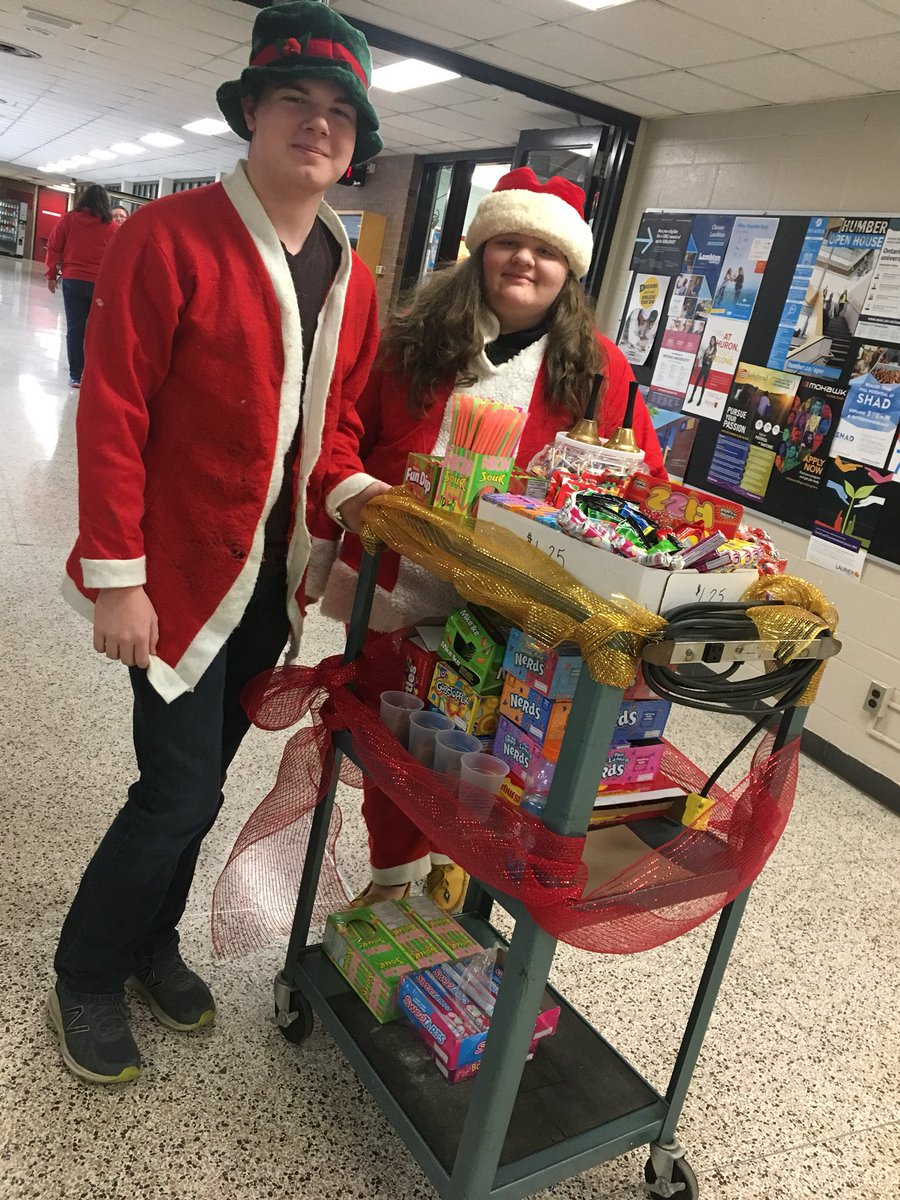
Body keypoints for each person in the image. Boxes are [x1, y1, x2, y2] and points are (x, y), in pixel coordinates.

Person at [49, 0, 389, 1086]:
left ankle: (151, 943)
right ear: (251, 111)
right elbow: (114, 412)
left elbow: (335, 423)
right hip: (174, 578)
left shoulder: (352, 273)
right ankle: (86, 971)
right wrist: (118, 579)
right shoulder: (167, 236)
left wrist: (351, 505)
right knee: (179, 792)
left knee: (204, 781)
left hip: (272, 585)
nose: (318, 124)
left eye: (340, 111)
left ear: (355, 141)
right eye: (296, 99)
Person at [314, 168, 666, 912]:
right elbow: (340, 430)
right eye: (509, 242)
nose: (525, 260)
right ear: (480, 250)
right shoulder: (411, 341)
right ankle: (392, 878)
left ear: (568, 270)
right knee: (398, 745)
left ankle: (459, 872)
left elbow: (645, 484)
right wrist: (354, 493)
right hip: (398, 588)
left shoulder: (602, 367)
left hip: (521, 609)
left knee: (495, 752)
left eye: (546, 251)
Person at [44, 184, 117, 388]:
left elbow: (54, 246)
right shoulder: (112, 228)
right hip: (99, 285)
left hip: (73, 280)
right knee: (95, 330)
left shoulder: (69, 219)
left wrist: (51, 275)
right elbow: (119, 258)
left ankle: (76, 375)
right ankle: (93, 373)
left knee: (75, 328)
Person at [687, 335, 717, 404]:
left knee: (703, 384)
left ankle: (700, 400)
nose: (712, 341)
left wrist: (707, 358)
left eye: (713, 340)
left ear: (715, 341)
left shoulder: (715, 350)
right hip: (703, 367)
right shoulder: (708, 348)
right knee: (696, 382)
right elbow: (704, 357)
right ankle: (691, 397)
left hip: (707, 369)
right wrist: (706, 358)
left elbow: (711, 359)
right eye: (711, 340)